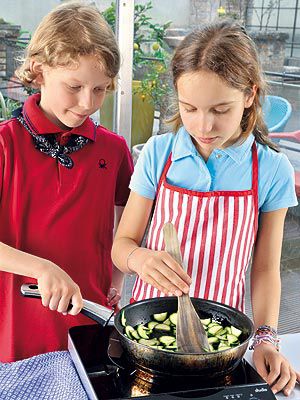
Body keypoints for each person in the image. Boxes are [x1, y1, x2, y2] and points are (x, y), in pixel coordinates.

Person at [112, 21, 299, 396]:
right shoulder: (159, 154)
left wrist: (265, 338)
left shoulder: (272, 169)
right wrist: (140, 260)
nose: (204, 125)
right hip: (148, 335)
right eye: (190, 108)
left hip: (221, 344)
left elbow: (264, 269)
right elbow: (122, 244)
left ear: (250, 95)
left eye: (220, 109)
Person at [0, 2, 133, 362]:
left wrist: (115, 284)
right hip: (15, 335)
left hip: (89, 326)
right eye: (74, 86)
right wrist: (41, 268)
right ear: (39, 71)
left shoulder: (115, 150)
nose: (88, 102)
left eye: (101, 89)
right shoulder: (4, 145)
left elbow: (127, 224)